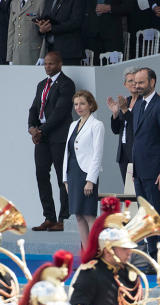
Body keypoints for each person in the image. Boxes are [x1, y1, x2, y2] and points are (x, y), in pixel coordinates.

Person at [69, 197, 160, 305]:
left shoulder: (129, 272)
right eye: (124, 248)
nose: (129, 252)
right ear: (108, 249)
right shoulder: (90, 273)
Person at [130, 67, 160, 272]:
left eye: (141, 82)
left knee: (158, 216)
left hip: (156, 172)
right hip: (140, 172)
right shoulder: (138, 104)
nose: (137, 86)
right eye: (135, 83)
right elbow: (137, 139)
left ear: (152, 82)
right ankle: (153, 257)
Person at [28, 51, 74, 232]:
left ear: (60, 64)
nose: (47, 67)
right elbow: (34, 108)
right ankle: (49, 216)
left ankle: (63, 218)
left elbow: (60, 113)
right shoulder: (41, 85)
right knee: (41, 174)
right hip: (42, 137)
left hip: (59, 137)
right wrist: (32, 127)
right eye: (46, 64)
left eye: (51, 64)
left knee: (62, 178)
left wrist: (40, 130)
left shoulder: (67, 84)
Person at [63, 90, 104, 252]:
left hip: (86, 174)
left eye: (82, 103)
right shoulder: (73, 125)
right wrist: (65, 179)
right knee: (78, 215)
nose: (78, 107)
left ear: (90, 105)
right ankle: (87, 253)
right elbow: (68, 153)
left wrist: (90, 180)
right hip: (72, 173)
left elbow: (97, 154)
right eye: (76, 104)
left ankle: (96, 252)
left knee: (89, 215)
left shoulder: (97, 125)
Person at [35, 0, 82, 66]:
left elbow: (75, 22)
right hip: (49, 51)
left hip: (68, 52)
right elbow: (44, 17)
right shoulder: (49, 1)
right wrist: (42, 28)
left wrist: (52, 28)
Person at [6, 0, 41, 65]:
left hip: (33, 54)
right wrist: (10, 57)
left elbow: (44, 31)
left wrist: (42, 55)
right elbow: (11, 31)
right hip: (16, 55)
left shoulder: (40, 2)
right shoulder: (14, 3)